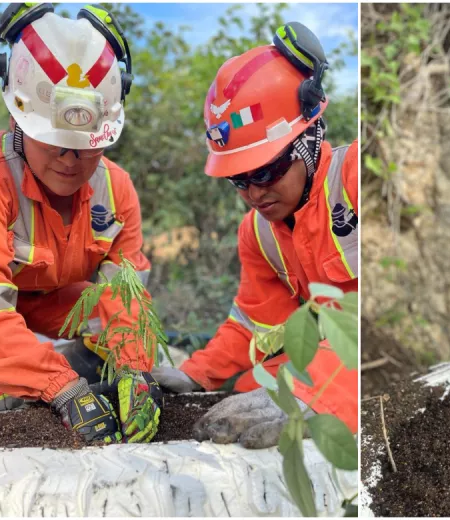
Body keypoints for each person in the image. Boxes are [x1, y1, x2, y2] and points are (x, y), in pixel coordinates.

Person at [152, 23, 358, 449]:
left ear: (309, 138)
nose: (253, 193)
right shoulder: (260, 233)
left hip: (362, 372)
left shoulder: (357, 180)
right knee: (249, 382)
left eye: (264, 171)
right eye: (238, 180)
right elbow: (255, 325)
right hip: (326, 361)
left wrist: (315, 394)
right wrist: (196, 374)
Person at [0, 4, 162, 444]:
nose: (71, 161)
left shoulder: (115, 191)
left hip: (47, 310)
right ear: (18, 121)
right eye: (55, 144)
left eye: (85, 147)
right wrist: (61, 387)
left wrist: (135, 369)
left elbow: (125, 299)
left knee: (116, 320)